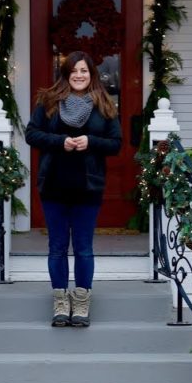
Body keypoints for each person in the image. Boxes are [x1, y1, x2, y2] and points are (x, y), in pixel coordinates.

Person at [25, 51, 121, 327]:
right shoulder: (48, 102)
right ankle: (60, 301)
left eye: (85, 71)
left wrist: (90, 140)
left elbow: (116, 143)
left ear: (92, 75)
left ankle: (80, 302)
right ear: (66, 74)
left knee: (83, 248)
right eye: (74, 71)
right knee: (56, 247)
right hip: (53, 184)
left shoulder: (104, 104)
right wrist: (60, 141)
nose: (79, 75)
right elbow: (32, 133)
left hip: (87, 186)